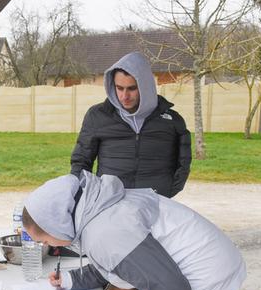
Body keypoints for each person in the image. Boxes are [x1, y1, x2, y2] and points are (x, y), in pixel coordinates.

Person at [22, 171, 246, 290]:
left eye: (44, 240)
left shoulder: (105, 232)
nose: (49, 246)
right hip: (199, 264)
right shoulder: (95, 205)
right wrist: (72, 279)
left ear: (57, 224)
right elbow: (122, 262)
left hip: (206, 274)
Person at [70, 51, 192, 198]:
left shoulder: (171, 121)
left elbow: (183, 162)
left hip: (156, 202)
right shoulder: (97, 116)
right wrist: (83, 195)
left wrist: (168, 191)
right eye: (119, 88)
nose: (124, 96)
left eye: (132, 89)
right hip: (111, 202)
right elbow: (81, 161)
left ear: (145, 86)